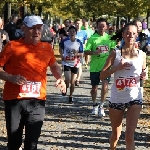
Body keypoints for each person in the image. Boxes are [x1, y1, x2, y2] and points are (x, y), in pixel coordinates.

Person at [0, 15, 66, 150]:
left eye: (39, 28)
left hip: (37, 100)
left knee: (32, 143)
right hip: (14, 99)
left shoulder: (47, 47)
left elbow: (53, 65)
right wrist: (10, 77)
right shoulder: (12, 46)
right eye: (32, 29)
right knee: (14, 142)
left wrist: (60, 77)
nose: (36, 32)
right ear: (23, 29)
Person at [100, 22, 146, 149]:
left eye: (133, 34)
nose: (130, 36)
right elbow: (102, 75)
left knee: (129, 136)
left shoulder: (142, 54)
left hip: (135, 98)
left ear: (137, 35)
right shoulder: (115, 53)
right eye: (128, 33)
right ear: (123, 35)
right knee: (116, 134)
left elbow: (143, 73)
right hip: (117, 99)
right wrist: (117, 68)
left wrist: (144, 75)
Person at [84, 18, 115, 116]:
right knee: (94, 89)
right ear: (97, 27)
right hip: (94, 67)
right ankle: (94, 105)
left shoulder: (110, 39)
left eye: (103, 26)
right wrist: (94, 52)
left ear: (106, 27)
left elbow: (113, 51)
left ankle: (102, 106)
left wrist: (113, 62)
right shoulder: (92, 38)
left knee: (105, 86)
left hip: (106, 67)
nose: (102, 28)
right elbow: (86, 51)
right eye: (100, 26)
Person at [59, 26, 83, 103]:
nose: (72, 33)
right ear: (68, 32)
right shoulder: (65, 41)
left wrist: (77, 53)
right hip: (66, 62)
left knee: (72, 82)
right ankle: (65, 88)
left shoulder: (79, 42)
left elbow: (82, 53)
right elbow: (60, 48)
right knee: (67, 80)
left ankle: (71, 96)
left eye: (73, 31)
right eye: (71, 31)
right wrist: (62, 55)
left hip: (75, 63)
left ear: (76, 33)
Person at [74, 19, 87, 86]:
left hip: (80, 51)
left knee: (80, 65)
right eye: (77, 23)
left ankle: (78, 79)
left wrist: (84, 48)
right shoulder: (72, 32)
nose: (78, 25)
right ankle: (74, 77)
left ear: (82, 24)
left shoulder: (84, 32)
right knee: (74, 65)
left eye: (79, 23)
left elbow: (85, 42)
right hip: (73, 51)